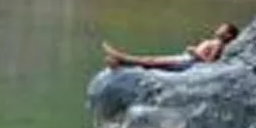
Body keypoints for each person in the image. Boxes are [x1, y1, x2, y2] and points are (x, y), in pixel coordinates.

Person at [102, 23, 239, 72]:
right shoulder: (214, 42)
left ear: (228, 35)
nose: (218, 28)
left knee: (153, 62)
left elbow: (210, 64)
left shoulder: (219, 44)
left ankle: (121, 58)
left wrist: (195, 53)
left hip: (189, 62)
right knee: (153, 62)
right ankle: (120, 62)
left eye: (222, 28)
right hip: (187, 59)